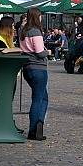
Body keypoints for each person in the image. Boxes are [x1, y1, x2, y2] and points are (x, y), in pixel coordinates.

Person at [19, 8, 49, 141]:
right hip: (38, 67)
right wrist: (47, 52)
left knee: (41, 97)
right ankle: (35, 127)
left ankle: (37, 127)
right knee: (39, 99)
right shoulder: (35, 31)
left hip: (27, 67)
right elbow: (39, 52)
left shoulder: (22, 31)